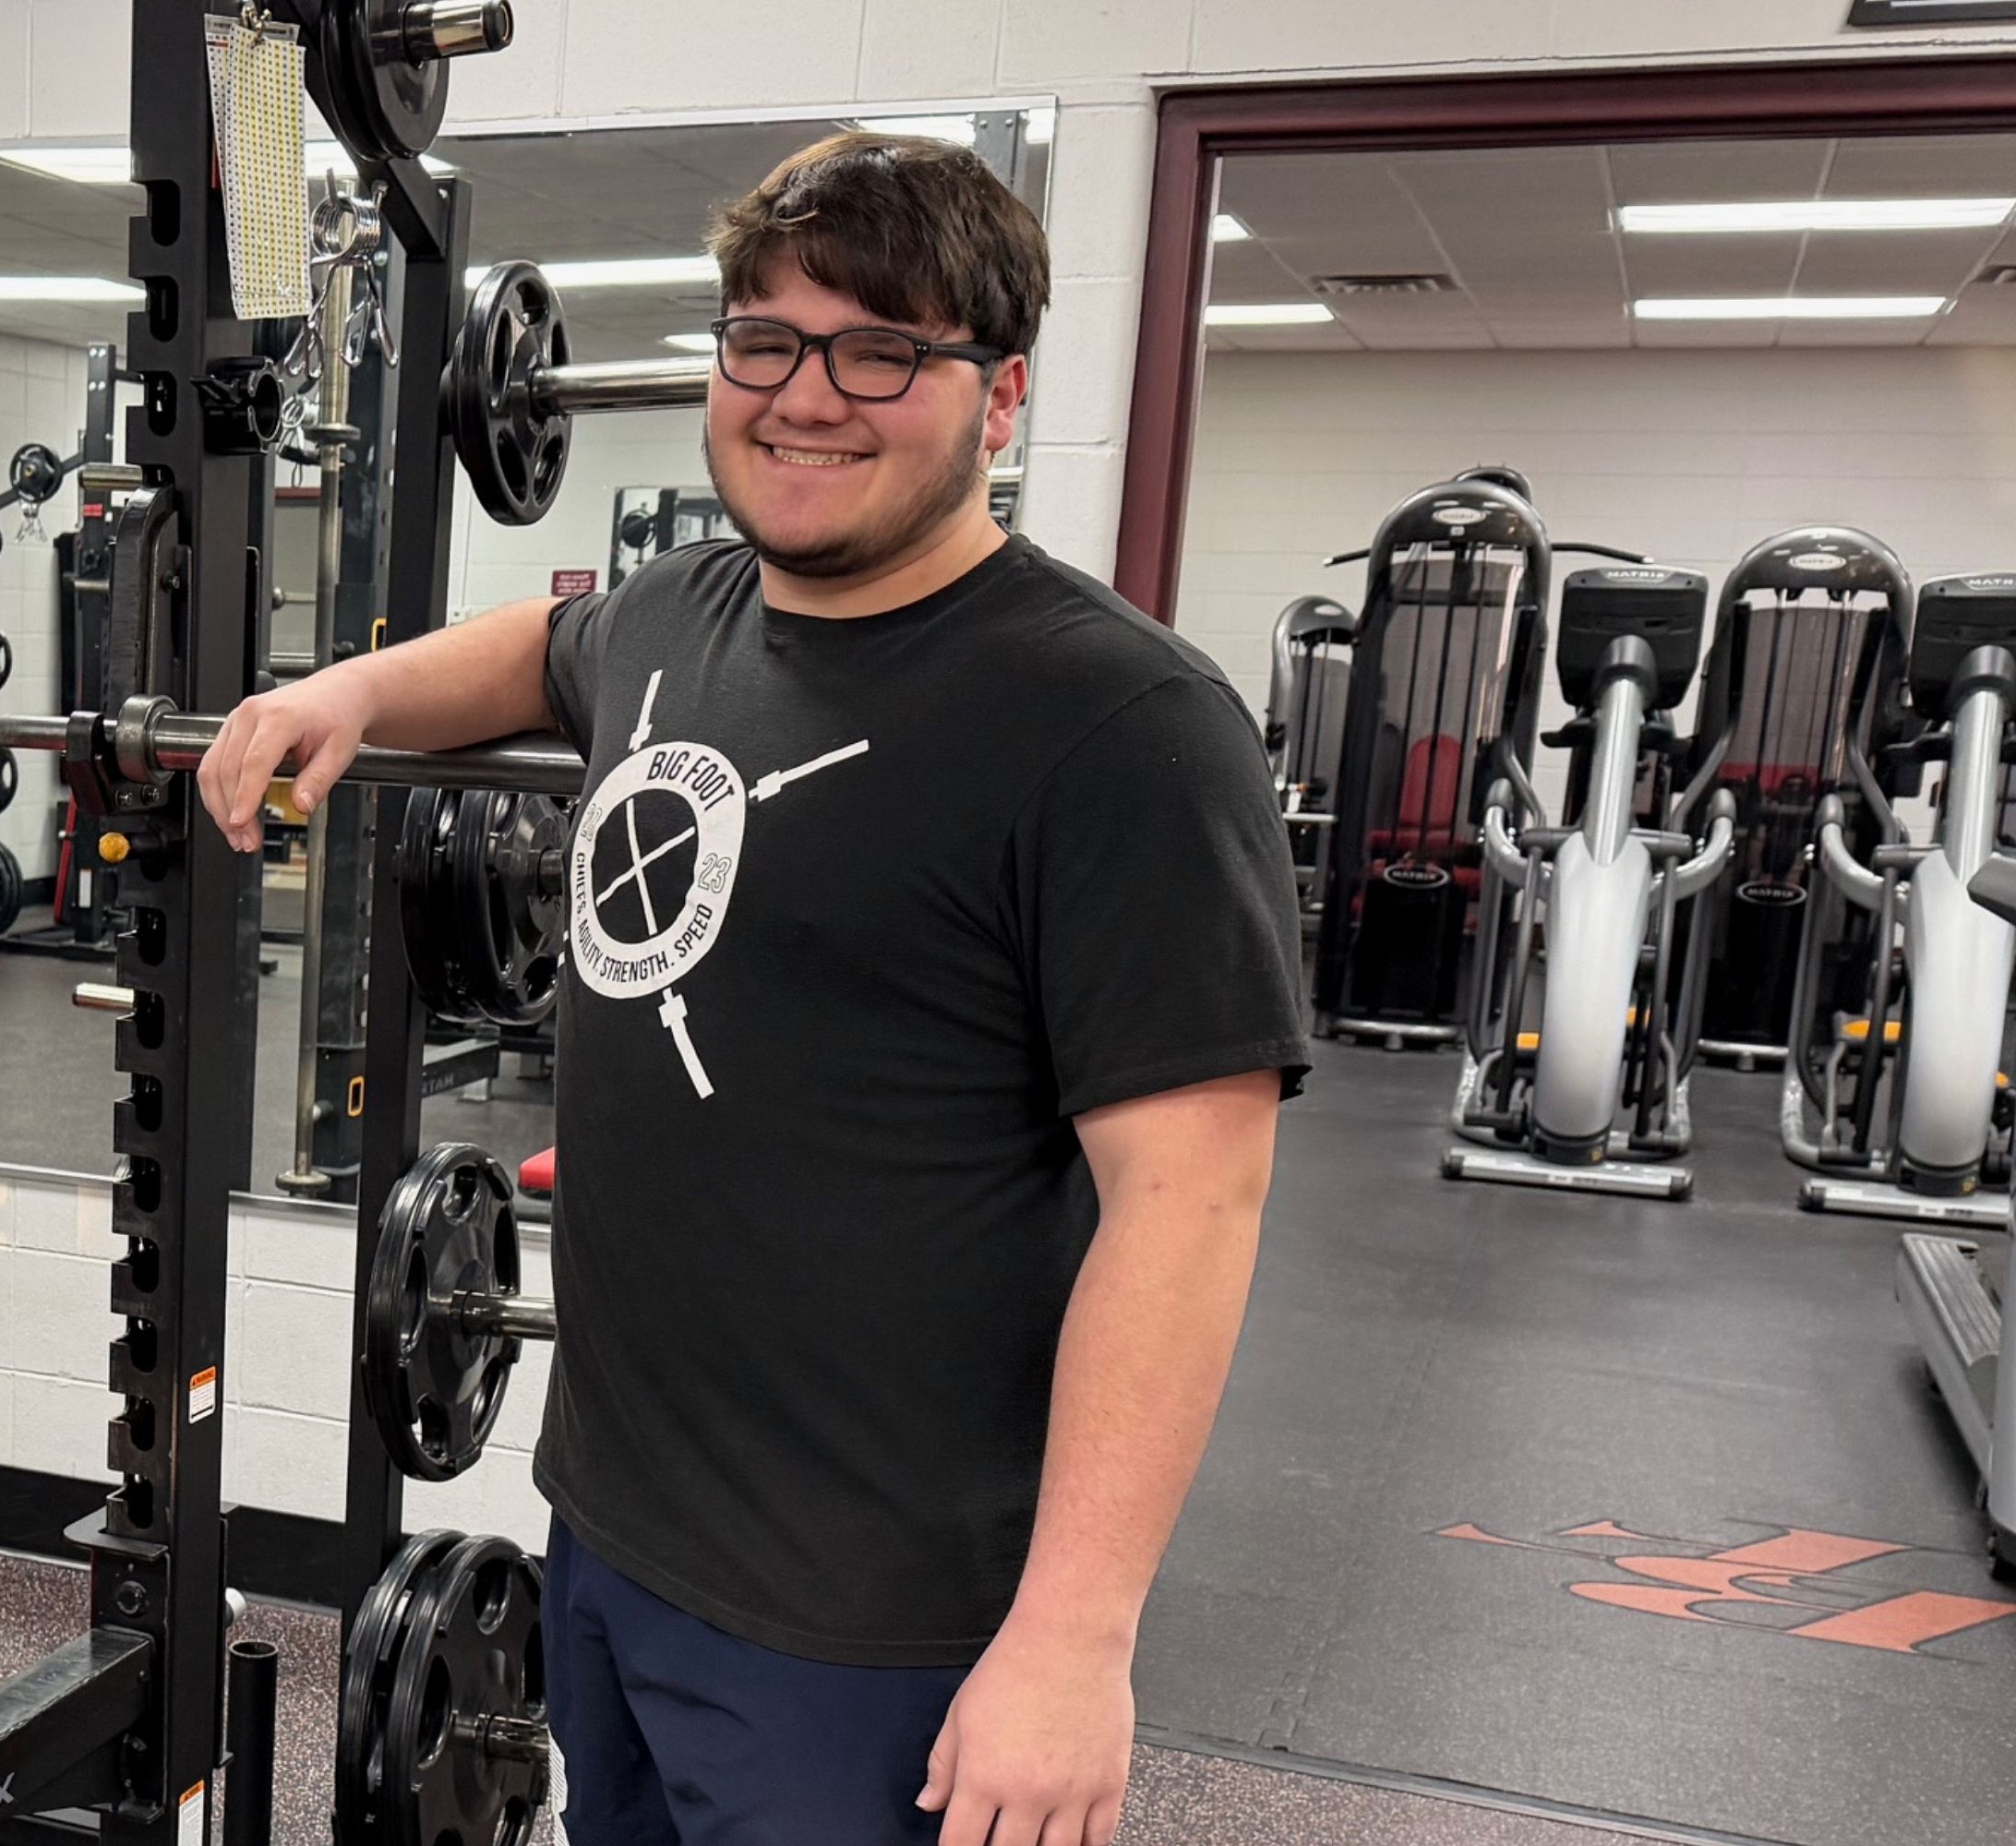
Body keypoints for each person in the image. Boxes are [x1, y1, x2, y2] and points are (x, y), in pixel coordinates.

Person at [195, 133, 1303, 1846]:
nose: (807, 397)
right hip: (615, 1532)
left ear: (1001, 396)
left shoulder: (1123, 727)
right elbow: (539, 646)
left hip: (869, 1626)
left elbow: (1191, 1206)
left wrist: (1076, 1641)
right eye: (765, 340)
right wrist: (346, 692)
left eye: (882, 352)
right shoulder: (683, 611)